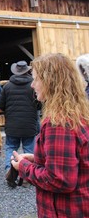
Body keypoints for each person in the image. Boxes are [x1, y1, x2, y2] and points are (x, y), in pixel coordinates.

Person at [11, 53, 89, 217]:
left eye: (36, 79)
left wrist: (23, 167)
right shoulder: (78, 114)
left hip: (64, 211)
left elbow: (60, 180)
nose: (32, 85)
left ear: (50, 82)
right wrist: (38, 159)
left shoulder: (59, 123)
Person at [0, 61, 40, 176]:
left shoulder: (7, 86)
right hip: (29, 123)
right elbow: (40, 105)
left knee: (11, 147)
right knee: (29, 149)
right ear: (27, 70)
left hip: (12, 124)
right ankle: (28, 174)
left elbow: (1, 105)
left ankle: (9, 170)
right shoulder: (33, 85)